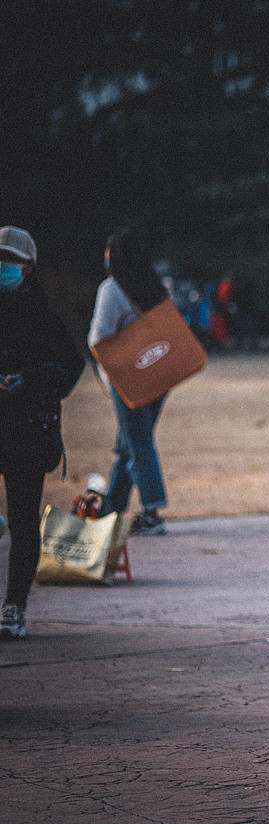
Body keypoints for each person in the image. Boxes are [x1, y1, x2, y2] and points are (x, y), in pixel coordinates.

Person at [0, 227, 85, 640]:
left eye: (11, 261)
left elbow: (70, 365)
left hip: (26, 431)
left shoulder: (41, 315)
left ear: (29, 267)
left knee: (22, 521)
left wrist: (27, 380)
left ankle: (14, 607)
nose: (4, 267)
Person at [88, 228, 174, 535]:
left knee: (137, 443)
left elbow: (98, 340)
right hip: (161, 374)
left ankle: (152, 511)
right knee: (129, 443)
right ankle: (113, 506)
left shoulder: (112, 290)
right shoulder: (157, 287)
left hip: (128, 378)